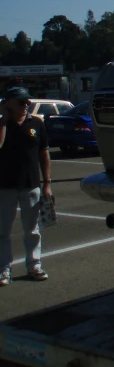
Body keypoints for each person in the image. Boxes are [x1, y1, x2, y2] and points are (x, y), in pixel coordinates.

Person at [0, 87, 52, 286]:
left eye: (27, 101)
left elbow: (44, 154)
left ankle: (34, 265)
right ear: (9, 103)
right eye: (21, 102)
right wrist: (4, 118)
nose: (26, 105)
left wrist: (47, 183)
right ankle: (4, 269)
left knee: (32, 229)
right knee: (3, 231)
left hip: (31, 185)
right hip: (4, 185)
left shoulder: (36, 123)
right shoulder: (2, 123)